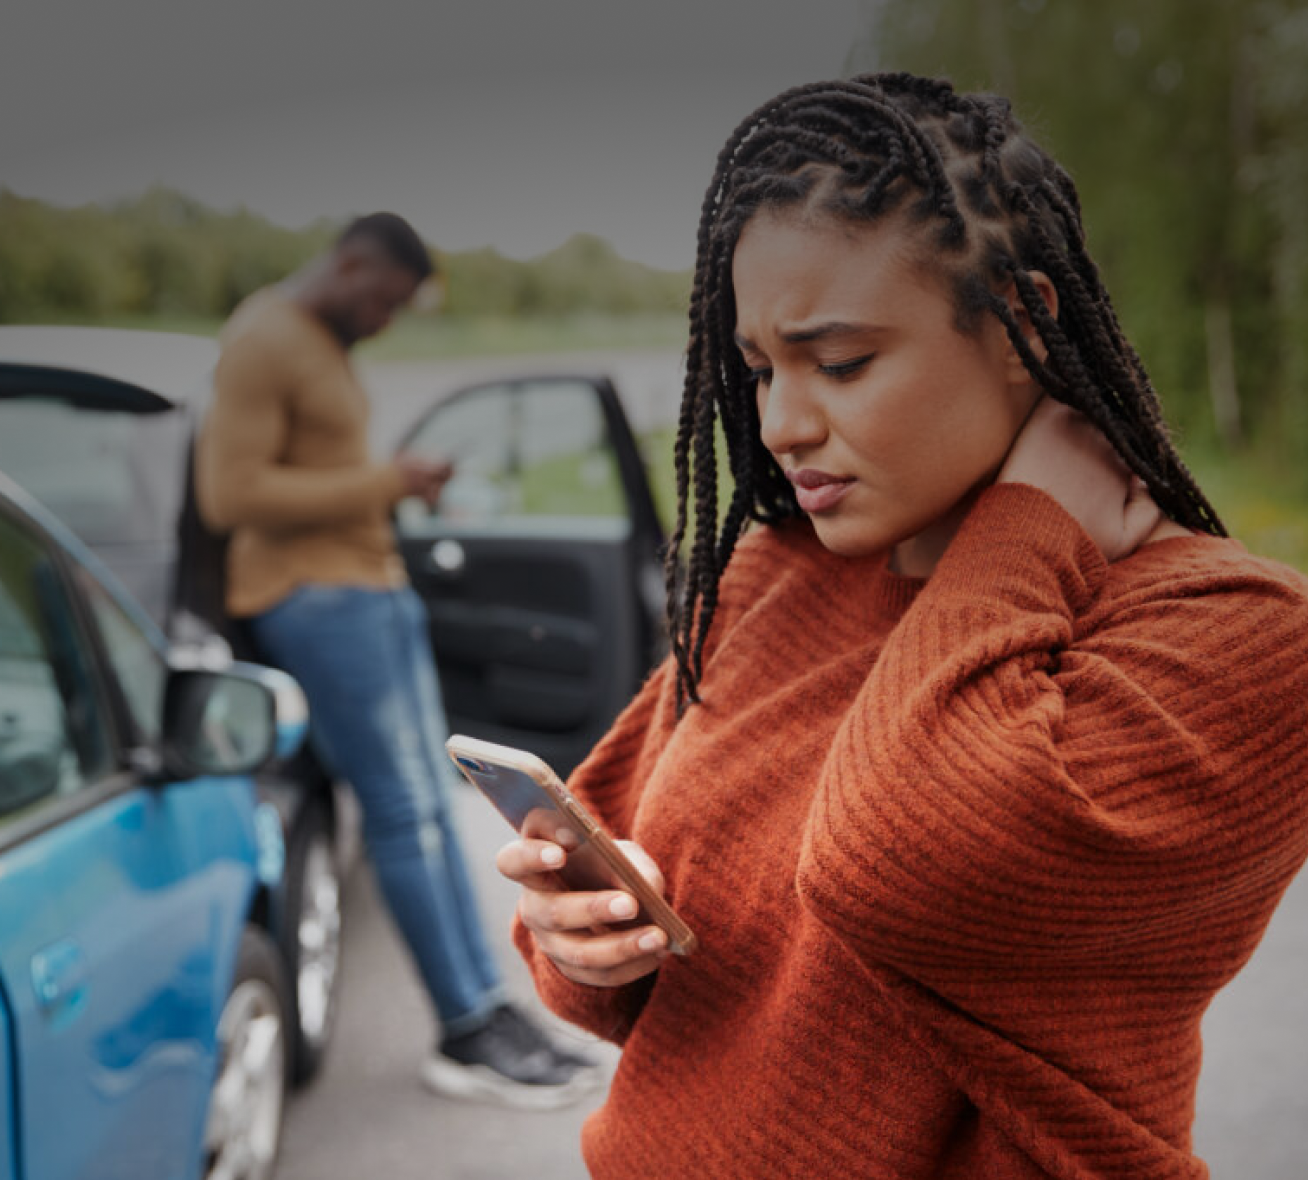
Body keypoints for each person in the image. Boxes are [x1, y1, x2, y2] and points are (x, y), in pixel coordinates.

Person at [496, 73, 1308, 1176]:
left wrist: (1024, 532)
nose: (781, 425)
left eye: (840, 362)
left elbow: (898, 866)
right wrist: (588, 952)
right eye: (758, 370)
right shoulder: (775, 575)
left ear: (1023, 320)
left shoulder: (1240, 638)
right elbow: (664, 954)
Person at [195, 211, 597, 1108]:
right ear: (351, 264)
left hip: (369, 593)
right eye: (381, 301)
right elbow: (231, 494)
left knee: (431, 806)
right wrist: (389, 481)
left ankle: (492, 1009)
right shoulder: (265, 337)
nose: (383, 321)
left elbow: (309, 470)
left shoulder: (318, 342)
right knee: (404, 813)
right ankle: (464, 1031)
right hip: (317, 600)